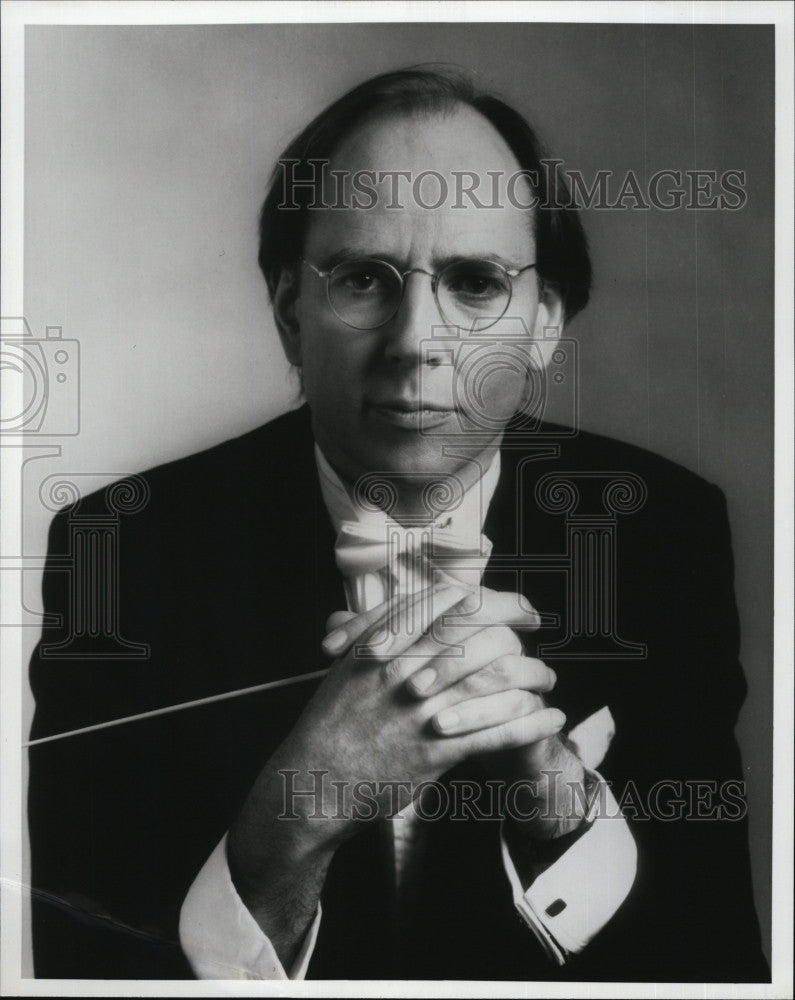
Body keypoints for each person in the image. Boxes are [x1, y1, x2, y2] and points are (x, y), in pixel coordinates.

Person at [28, 68, 768, 982]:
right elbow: (73, 966)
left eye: (473, 281)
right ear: (289, 311)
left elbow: (718, 962)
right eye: (364, 278)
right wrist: (294, 818)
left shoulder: (663, 530)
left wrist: (561, 815)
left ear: (544, 322)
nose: (416, 338)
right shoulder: (122, 548)